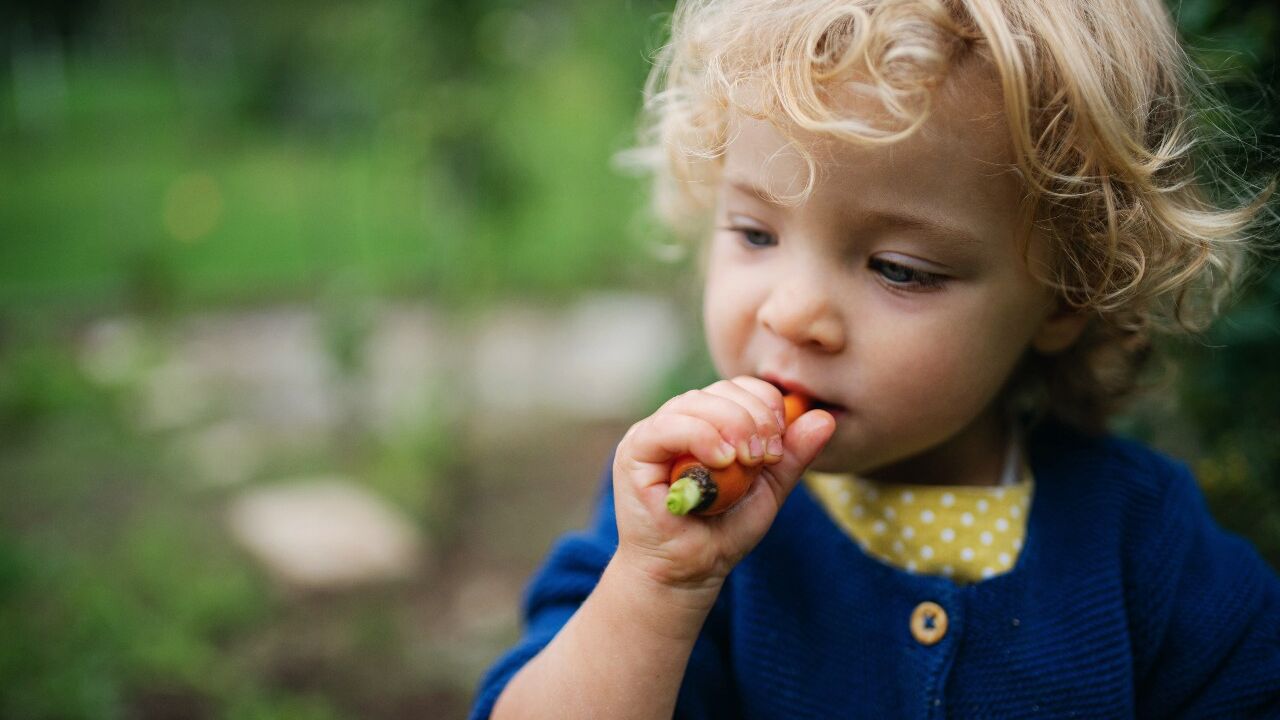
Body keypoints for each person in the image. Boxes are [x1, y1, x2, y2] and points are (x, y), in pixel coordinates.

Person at [471, 0, 1280, 716]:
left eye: (898, 269)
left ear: (1067, 295)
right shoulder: (683, 527)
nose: (792, 312)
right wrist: (653, 590)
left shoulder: (1142, 544)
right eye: (755, 232)